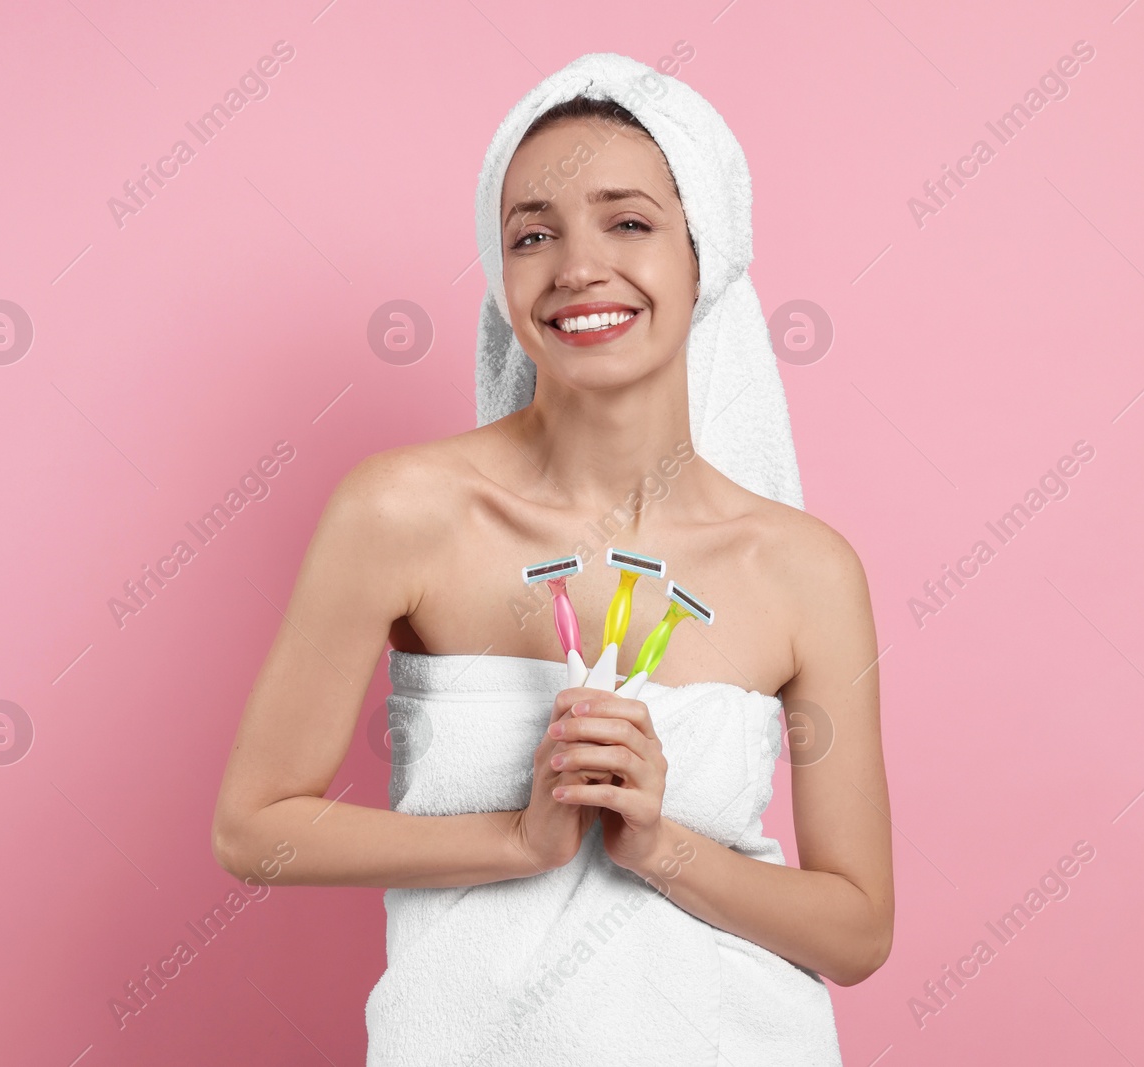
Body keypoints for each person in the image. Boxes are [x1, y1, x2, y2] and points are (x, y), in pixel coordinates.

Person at [211, 53, 891, 1065]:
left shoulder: (804, 569)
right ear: (501, 273)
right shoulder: (402, 511)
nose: (577, 266)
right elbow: (253, 829)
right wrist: (516, 840)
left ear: (705, 254)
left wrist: (661, 845)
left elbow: (855, 928)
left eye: (627, 221)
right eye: (533, 232)